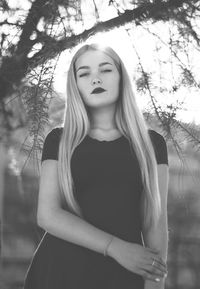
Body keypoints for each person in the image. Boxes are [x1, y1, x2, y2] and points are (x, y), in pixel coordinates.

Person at [23, 43, 169, 289]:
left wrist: (155, 282)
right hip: (60, 273)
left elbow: (155, 221)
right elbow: (47, 215)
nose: (95, 79)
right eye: (84, 73)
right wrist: (116, 248)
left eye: (106, 70)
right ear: (76, 85)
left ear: (121, 77)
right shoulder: (60, 140)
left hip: (125, 276)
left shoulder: (152, 144)